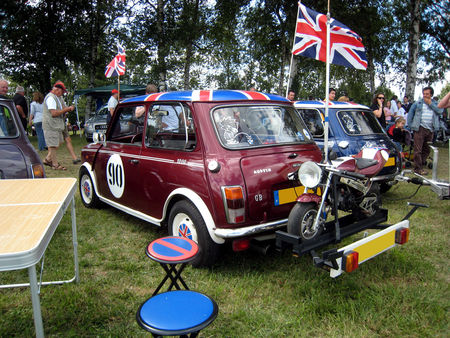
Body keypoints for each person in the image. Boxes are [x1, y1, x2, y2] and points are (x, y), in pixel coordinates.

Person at [42, 81, 79, 170]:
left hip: (56, 125)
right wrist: (66, 109)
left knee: (58, 142)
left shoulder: (57, 97)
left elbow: (61, 109)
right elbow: (54, 113)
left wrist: (67, 109)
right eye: (62, 92)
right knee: (53, 145)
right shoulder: (51, 98)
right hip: (50, 124)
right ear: (57, 90)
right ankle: (55, 165)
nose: (62, 94)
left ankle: (48, 159)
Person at [407, 86, 443, 175]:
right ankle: (418, 169)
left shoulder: (435, 103)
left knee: (427, 150)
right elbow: (410, 114)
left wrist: (430, 103)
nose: (425, 96)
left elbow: (440, 111)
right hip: (420, 128)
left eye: (427, 94)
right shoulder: (418, 103)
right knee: (418, 149)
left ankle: (420, 164)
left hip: (430, 129)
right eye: (424, 94)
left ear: (431, 95)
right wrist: (411, 125)